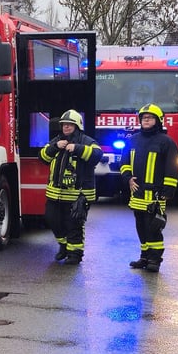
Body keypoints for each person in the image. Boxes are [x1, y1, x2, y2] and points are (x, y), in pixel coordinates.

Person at [39, 110, 103, 265]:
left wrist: (77, 148)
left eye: (69, 125)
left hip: (78, 194)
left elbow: (97, 155)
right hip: (55, 194)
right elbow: (42, 157)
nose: (66, 128)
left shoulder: (86, 141)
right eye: (63, 125)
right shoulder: (57, 140)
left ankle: (75, 255)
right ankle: (64, 245)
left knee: (74, 225)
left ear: (77, 125)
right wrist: (54, 147)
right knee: (52, 220)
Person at [120, 103, 178, 273]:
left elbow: (171, 166)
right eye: (144, 118)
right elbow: (124, 162)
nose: (146, 120)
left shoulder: (166, 142)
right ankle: (144, 256)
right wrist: (128, 178)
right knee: (141, 226)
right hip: (137, 193)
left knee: (153, 226)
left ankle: (155, 259)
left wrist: (168, 190)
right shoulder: (133, 140)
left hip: (155, 194)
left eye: (150, 118)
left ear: (158, 121)